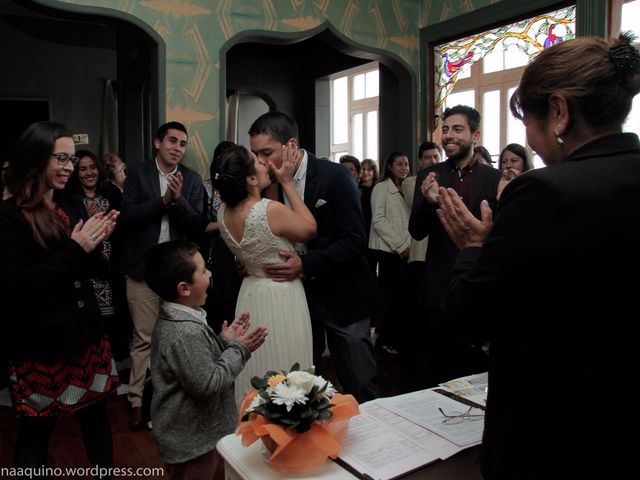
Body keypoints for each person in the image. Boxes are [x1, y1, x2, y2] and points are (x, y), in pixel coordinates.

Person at [436, 34, 640, 479]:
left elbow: (470, 317)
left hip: (555, 431)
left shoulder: (547, 191)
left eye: (529, 121)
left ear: (560, 112)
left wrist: (474, 249)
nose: (529, 138)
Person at [0, 121, 119, 476]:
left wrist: (97, 242)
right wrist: (75, 248)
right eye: (62, 158)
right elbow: (18, 283)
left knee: (98, 427)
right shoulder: (9, 217)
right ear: (37, 158)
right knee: (35, 435)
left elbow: (90, 269)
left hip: (86, 337)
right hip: (41, 346)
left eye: (72, 158)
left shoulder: (72, 204)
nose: (69, 166)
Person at [250, 111, 379, 402]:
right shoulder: (266, 184)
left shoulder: (335, 177)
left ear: (291, 145)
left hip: (344, 295)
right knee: (304, 384)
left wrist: (305, 264)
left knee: (358, 382)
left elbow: (354, 241)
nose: (260, 161)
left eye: (266, 152)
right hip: (298, 301)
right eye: (256, 154)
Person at [144, 239, 267, 480]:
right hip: (195, 446)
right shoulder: (184, 332)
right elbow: (207, 383)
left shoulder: (181, 317)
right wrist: (239, 349)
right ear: (184, 288)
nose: (210, 273)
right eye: (203, 270)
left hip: (202, 437)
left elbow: (194, 366)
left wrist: (223, 342)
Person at [214, 144, 316, 406]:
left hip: (251, 293)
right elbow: (309, 230)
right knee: (287, 367)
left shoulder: (222, 213)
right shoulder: (269, 210)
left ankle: (254, 426)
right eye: (256, 162)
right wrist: (287, 183)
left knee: (255, 366)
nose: (263, 162)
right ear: (249, 179)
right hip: (282, 295)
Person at [119, 121, 204, 430]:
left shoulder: (192, 181)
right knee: (144, 338)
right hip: (141, 270)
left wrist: (178, 199)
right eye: (172, 141)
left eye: (183, 143)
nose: (177, 148)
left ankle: (168, 401)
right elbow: (127, 216)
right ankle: (136, 402)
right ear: (158, 143)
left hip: (177, 274)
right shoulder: (138, 175)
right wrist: (162, 202)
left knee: (178, 339)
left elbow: (197, 224)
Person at [409, 105, 501, 386]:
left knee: (476, 370)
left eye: (457, 129)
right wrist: (428, 202)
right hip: (439, 286)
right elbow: (416, 231)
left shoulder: (494, 179)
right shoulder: (429, 176)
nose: (448, 136)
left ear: (476, 135)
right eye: (445, 129)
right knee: (438, 368)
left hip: (479, 284)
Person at [368, 151, 410, 355]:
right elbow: (379, 220)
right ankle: (384, 340)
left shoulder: (408, 188)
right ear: (390, 166)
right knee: (389, 299)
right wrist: (401, 246)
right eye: (400, 164)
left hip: (405, 250)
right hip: (387, 251)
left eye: (407, 164)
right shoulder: (381, 188)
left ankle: (397, 339)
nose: (404, 168)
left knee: (402, 299)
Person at [202, 141, 243, 333]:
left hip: (240, 254)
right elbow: (198, 226)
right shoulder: (205, 188)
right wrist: (228, 223)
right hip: (217, 253)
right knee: (218, 311)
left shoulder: (247, 189)